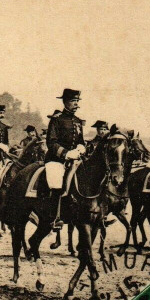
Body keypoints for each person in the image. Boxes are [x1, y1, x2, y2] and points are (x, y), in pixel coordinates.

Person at [45, 89, 86, 230]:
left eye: (77, 101)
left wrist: (81, 148)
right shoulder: (56, 119)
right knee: (56, 182)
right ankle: (55, 218)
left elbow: (81, 141)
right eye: (73, 101)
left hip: (75, 159)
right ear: (65, 102)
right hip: (57, 160)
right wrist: (67, 154)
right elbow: (51, 142)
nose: (76, 104)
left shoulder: (78, 121)